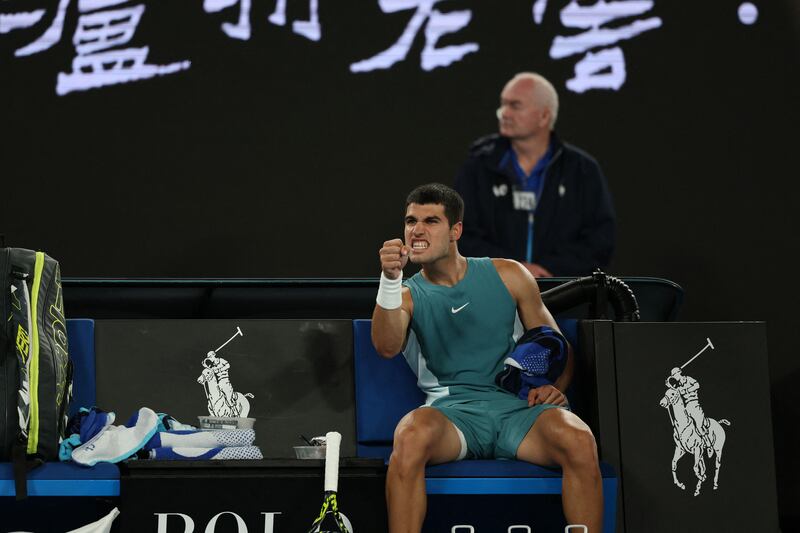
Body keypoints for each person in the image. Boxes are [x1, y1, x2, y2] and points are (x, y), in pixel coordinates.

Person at [372, 183, 603, 532]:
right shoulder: (404, 295)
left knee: (579, 438)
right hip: (453, 416)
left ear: (455, 230)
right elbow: (386, 346)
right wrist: (389, 281)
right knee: (409, 436)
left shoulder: (508, 274)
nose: (416, 230)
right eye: (410, 221)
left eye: (430, 220)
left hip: (519, 411)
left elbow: (556, 345)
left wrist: (555, 387)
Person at [454, 72, 615, 278]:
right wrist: (513, 268)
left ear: (544, 116)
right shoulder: (478, 167)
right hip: (492, 292)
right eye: (503, 104)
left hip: (565, 295)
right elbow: (460, 233)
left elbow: (600, 239)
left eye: (515, 105)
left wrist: (550, 270)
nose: (504, 113)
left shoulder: (582, 170)